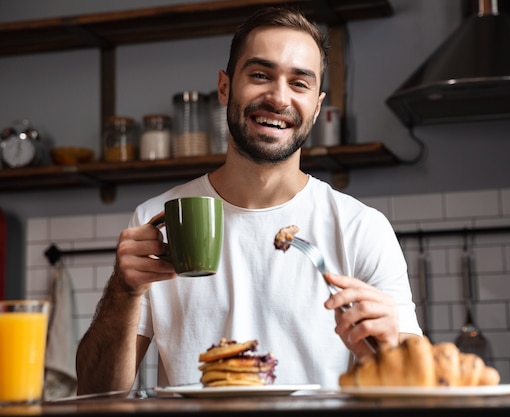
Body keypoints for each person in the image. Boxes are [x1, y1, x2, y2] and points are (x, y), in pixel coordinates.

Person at [75, 6, 422, 394]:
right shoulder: (157, 220)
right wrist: (123, 292)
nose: (278, 97)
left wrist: (391, 347)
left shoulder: (361, 228)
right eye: (260, 75)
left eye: (299, 83)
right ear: (225, 87)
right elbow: (94, 392)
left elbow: (419, 387)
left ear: (318, 105)